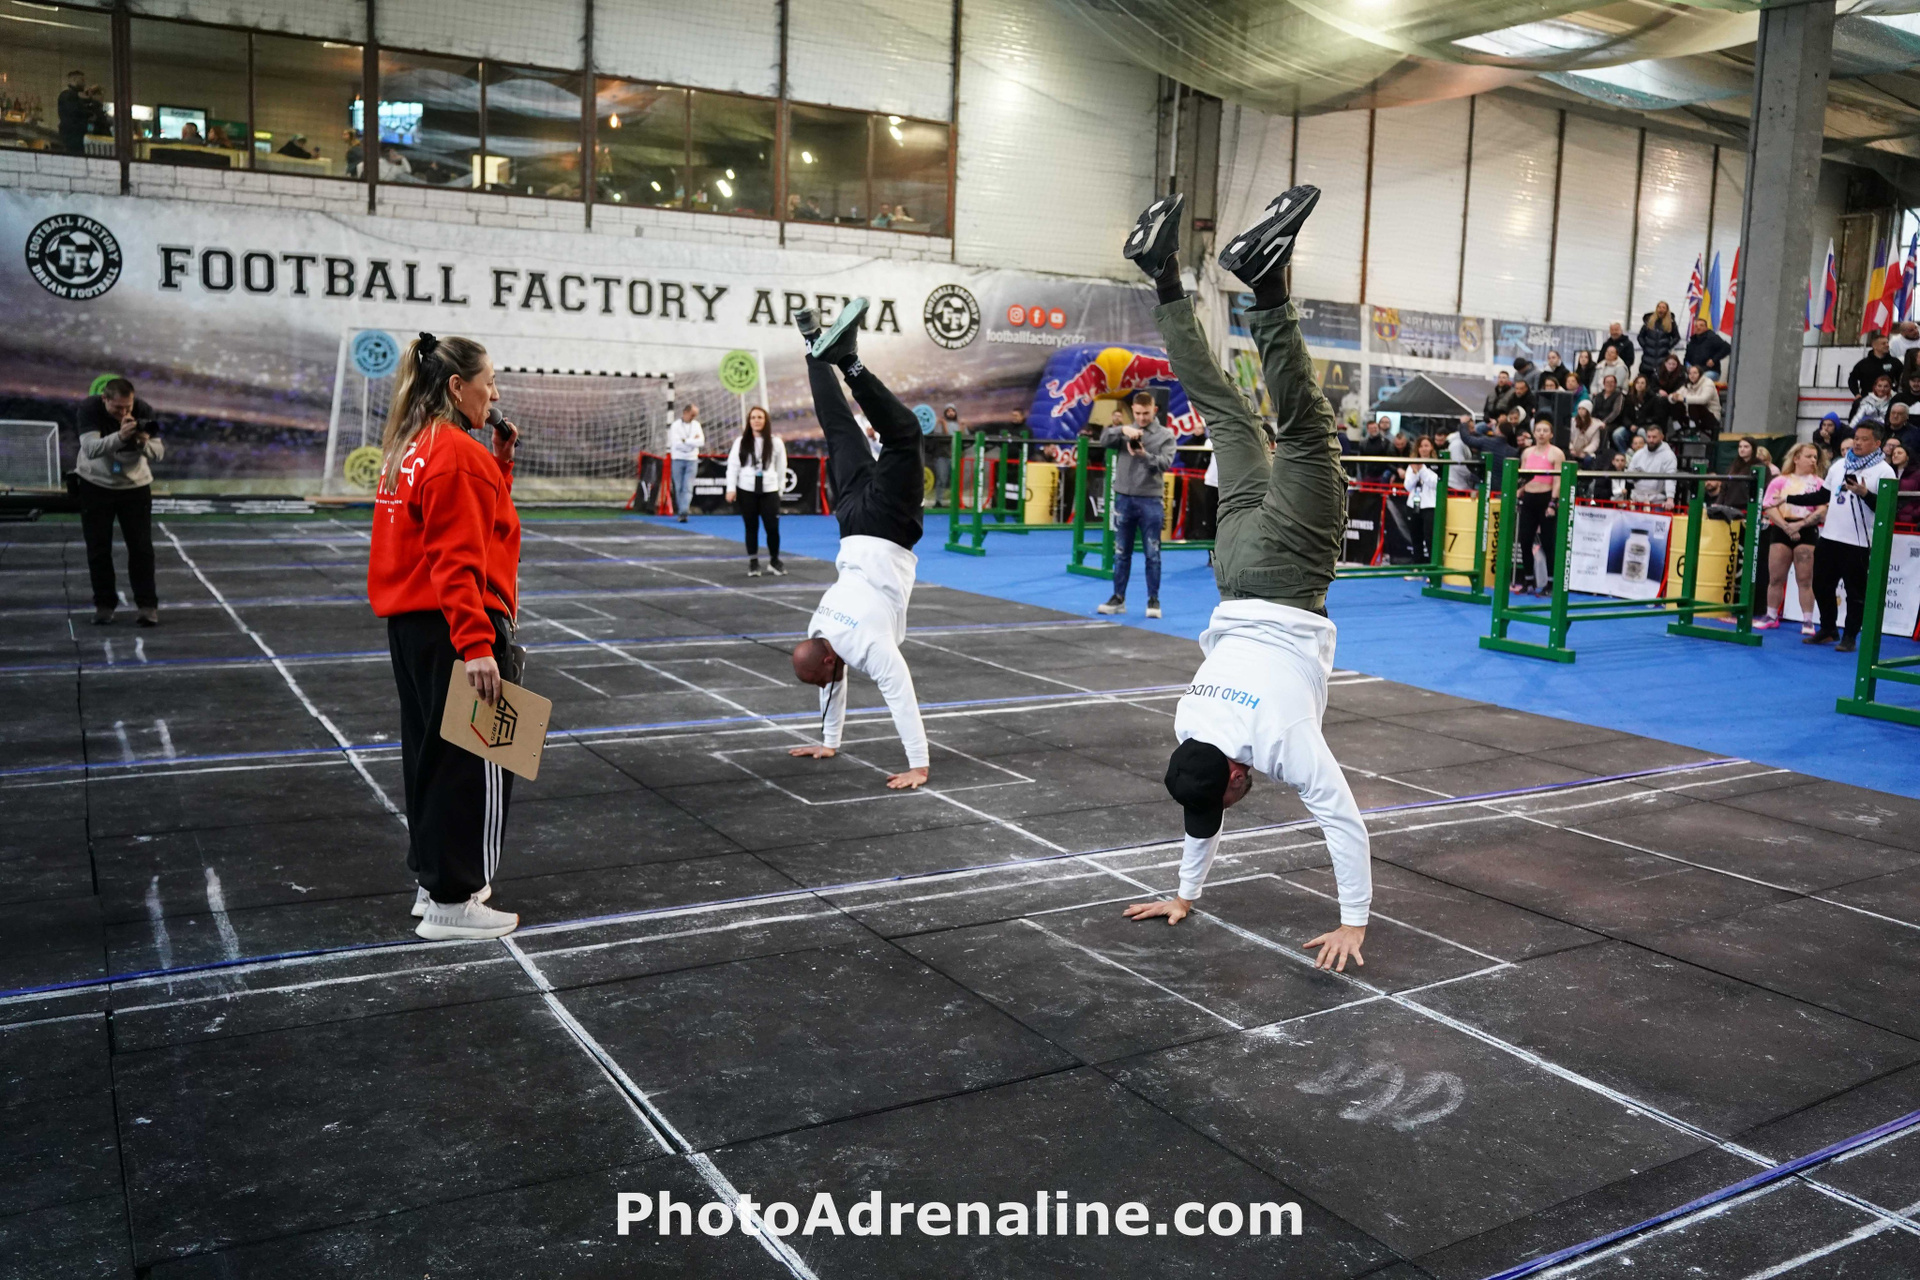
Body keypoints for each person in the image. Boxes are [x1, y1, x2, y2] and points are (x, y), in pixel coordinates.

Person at [1116, 185, 1370, 971]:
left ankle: (1267, 286)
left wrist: (1354, 924)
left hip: (1288, 573)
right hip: (1230, 566)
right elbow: (1200, 812)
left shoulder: (1282, 744)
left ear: (1233, 774)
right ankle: (1164, 277)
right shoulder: (1189, 726)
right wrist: (1183, 892)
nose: (1229, 804)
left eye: (1226, 796)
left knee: (1308, 432)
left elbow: (1343, 821)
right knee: (1226, 414)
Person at [368, 332, 524, 941]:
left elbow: (470, 527)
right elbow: (458, 561)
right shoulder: (456, 454)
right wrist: (478, 645)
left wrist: (499, 464)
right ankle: (454, 900)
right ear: (458, 387)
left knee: (430, 758)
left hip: (414, 628)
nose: (495, 394)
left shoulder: (412, 445)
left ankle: (434, 881)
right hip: (456, 626)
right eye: (489, 383)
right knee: (478, 761)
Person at [785, 298, 930, 790]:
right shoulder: (818, 627)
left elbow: (901, 695)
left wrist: (918, 766)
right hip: (849, 522)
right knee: (838, 428)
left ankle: (847, 359)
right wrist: (828, 740)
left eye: (828, 675)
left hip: (888, 528)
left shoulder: (868, 646)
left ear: (829, 660)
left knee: (905, 435)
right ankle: (813, 345)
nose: (831, 683)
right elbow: (830, 686)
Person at [73, 378, 164, 626]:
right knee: (98, 549)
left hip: (134, 486)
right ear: (105, 399)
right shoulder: (90, 408)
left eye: (127, 407)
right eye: (117, 408)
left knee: (141, 548)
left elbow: (159, 453)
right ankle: (104, 605)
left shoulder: (143, 410)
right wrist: (120, 437)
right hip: (95, 483)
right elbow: (90, 449)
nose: (124, 413)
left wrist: (142, 442)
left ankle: (147, 606)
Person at [1807, 421, 1896, 653]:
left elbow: (1886, 508)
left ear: (1877, 443)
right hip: (1830, 536)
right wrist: (1789, 499)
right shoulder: (1840, 465)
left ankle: (1849, 636)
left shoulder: (1885, 471)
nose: (1857, 443)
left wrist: (1865, 493)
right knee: (1820, 585)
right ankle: (1828, 628)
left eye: (1864, 439)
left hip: (1858, 541)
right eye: (1856, 438)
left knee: (1855, 593)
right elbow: (1823, 495)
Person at [1096, 390, 1178, 619]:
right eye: (1138, 413)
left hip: (1150, 500)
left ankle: (1153, 599)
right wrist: (1122, 429)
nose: (1142, 418)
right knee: (1121, 552)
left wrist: (1144, 455)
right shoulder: (1126, 431)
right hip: (1124, 498)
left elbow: (1165, 463)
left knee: (1153, 553)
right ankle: (1118, 598)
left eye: (1146, 413)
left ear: (1155, 410)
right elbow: (1103, 440)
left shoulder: (1165, 435)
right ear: (1133, 410)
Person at [1758, 443, 1825, 634]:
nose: (1813, 460)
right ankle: (1771, 615)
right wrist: (1786, 527)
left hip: (1806, 530)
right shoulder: (1780, 481)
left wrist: (1800, 525)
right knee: (1776, 577)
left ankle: (1808, 620)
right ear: (1796, 458)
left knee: (1805, 579)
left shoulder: (1819, 484)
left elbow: (1822, 509)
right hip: (1781, 528)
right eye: (1808, 456)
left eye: (1815, 457)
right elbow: (1769, 506)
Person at [725, 405, 787, 577]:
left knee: (772, 527)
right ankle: (753, 563)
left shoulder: (776, 442)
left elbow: (781, 468)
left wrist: (780, 490)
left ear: (766, 420)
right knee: (751, 526)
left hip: (770, 489)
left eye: (760, 417)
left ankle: (774, 560)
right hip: (746, 489)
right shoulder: (740, 442)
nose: (756, 421)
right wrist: (731, 488)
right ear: (749, 421)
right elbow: (733, 466)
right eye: (753, 418)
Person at [1514, 420, 1566, 593]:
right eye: (1539, 430)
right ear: (1534, 433)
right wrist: (1518, 493)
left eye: (1545, 431)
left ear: (1551, 434)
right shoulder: (1527, 453)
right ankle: (1528, 580)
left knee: (1548, 542)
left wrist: (1553, 503)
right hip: (1529, 499)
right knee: (1525, 541)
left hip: (1546, 499)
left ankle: (1550, 583)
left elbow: (1558, 481)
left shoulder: (1556, 453)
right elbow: (1522, 477)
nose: (1542, 433)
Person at [1402, 433, 1440, 562]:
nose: (1423, 449)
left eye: (1426, 446)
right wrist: (1414, 472)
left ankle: (1431, 566)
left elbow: (1434, 483)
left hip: (1430, 506)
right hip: (1413, 505)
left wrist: (1421, 469)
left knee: (1430, 538)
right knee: (1415, 537)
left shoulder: (1437, 464)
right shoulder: (1412, 465)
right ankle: (1417, 566)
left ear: (1431, 447)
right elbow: (1408, 486)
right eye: (1421, 446)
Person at [667, 402, 704, 521]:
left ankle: (684, 512)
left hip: (692, 460)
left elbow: (701, 442)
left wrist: (685, 441)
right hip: (677, 459)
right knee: (678, 487)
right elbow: (676, 444)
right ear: (685, 412)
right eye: (692, 414)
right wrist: (692, 441)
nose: (693, 417)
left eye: (695, 415)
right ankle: (682, 510)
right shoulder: (675, 426)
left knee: (688, 486)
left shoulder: (696, 425)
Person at [1628, 423, 1677, 505]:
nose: (1651, 440)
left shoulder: (1669, 455)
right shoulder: (1638, 454)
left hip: (1656, 501)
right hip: (1636, 500)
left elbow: (1671, 478)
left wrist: (1670, 498)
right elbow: (1628, 477)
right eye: (1649, 437)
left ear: (1661, 437)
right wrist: (1636, 476)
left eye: (1654, 437)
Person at [1848, 332, 1902, 398]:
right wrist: (1857, 394)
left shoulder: (1895, 362)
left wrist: (1897, 392)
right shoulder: (1863, 364)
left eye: (1887, 343)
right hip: (1867, 398)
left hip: (1889, 398)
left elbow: (1902, 379)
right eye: (1883, 343)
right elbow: (1852, 379)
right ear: (1874, 346)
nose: (1887, 345)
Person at [1671, 363, 1721, 431]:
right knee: (1675, 403)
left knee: (1693, 403)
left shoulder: (1708, 383)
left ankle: (1694, 430)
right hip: (1691, 416)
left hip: (1711, 417)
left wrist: (1684, 399)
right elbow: (1673, 395)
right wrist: (1673, 397)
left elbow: (1704, 399)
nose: (1692, 376)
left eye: (1695, 373)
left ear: (1700, 374)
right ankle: (1678, 429)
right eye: (1690, 373)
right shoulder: (1687, 384)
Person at [928, 404, 960, 507]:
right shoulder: (940, 424)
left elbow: (960, 437)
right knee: (942, 479)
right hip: (942, 455)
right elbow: (945, 437)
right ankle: (939, 502)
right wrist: (941, 424)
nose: (950, 413)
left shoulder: (958, 424)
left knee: (956, 480)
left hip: (955, 456)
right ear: (945, 413)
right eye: (948, 411)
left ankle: (956, 502)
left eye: (952, 411)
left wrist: (963, 427)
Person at [1637, 302, 1679, 379]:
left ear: (1667, 310)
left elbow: (1676, 337)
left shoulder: (1671, 323)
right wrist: (1645, 346)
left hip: (1662, 359)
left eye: (1663, 307)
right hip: (1647, 359)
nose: (1661, 309)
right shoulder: (1649, 321)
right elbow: (1640, 336)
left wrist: (1668, 346)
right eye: (1659, 307)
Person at [57, 70, 90, 156]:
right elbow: (75, 111)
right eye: (82, 80)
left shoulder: (70, 96)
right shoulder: (67, 95)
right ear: (74, 79)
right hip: (72, 136)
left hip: (75, 135)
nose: (84, 83)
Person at [1567, 402, 1603, 470]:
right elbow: (1567, 438)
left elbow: (1595, 442)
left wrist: (1585, 452)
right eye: (1579, 409)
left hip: (1586, 452)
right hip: (1572, 450)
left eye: (1583, 409)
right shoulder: (1572, 422)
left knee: (1588, 460)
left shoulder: (1595, 425)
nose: (1580, 411)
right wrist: (1571, 448)